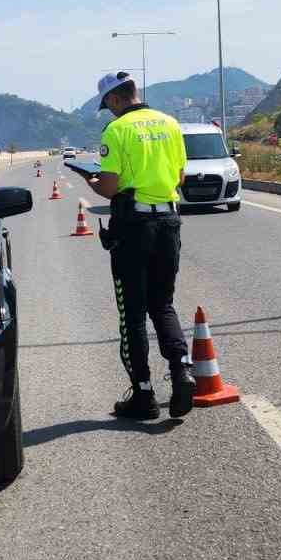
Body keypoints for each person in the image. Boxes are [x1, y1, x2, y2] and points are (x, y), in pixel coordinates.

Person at [79, 70, 193, 421]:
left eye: (107, 105)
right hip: (168, 223)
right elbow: (179, 178)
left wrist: (93, 181)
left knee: (133, 312)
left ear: (114, 98)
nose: (109, 112)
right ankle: (181, 372)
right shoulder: (171, 124)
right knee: (163, 304)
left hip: (134, 227)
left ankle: (142, 394)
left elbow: (111, 187)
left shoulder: (116, 130)